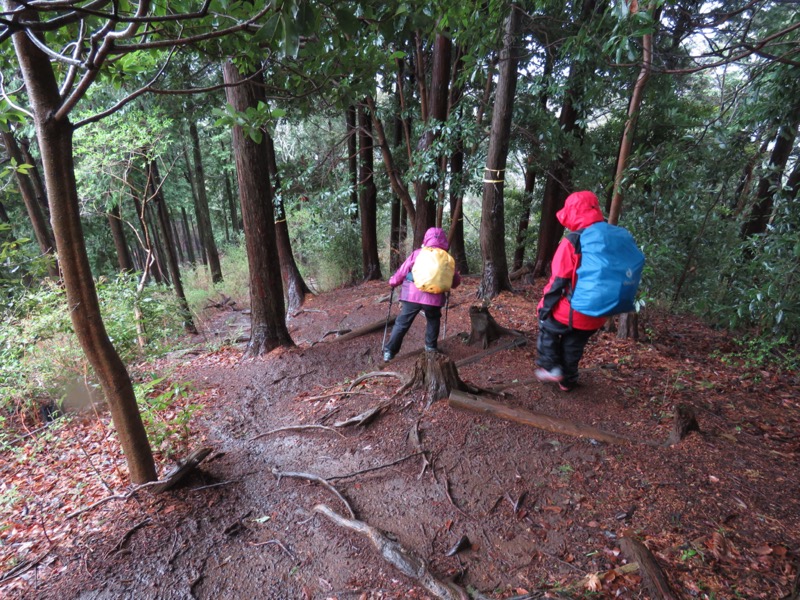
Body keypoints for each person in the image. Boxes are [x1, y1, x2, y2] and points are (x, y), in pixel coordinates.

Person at [535, 190, 607, 391]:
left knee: (547, 325)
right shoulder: (610, 237)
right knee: (574, 344)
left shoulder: (573, 241)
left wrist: (544, 307)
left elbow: (558, 281)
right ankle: (568, 380)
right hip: (599, 312)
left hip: (572, 310)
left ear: (573, 212)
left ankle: (550, 367)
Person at [383, 227, 461, 361]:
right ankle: (430, 348)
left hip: (412, 295)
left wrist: (393, 282)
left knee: (402, 323)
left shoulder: (418, 253)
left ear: (426, 238)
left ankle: (389, 352)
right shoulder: (447, 258)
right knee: (433, 319)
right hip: (434, 298)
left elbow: (402, 271)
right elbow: (455, 282)